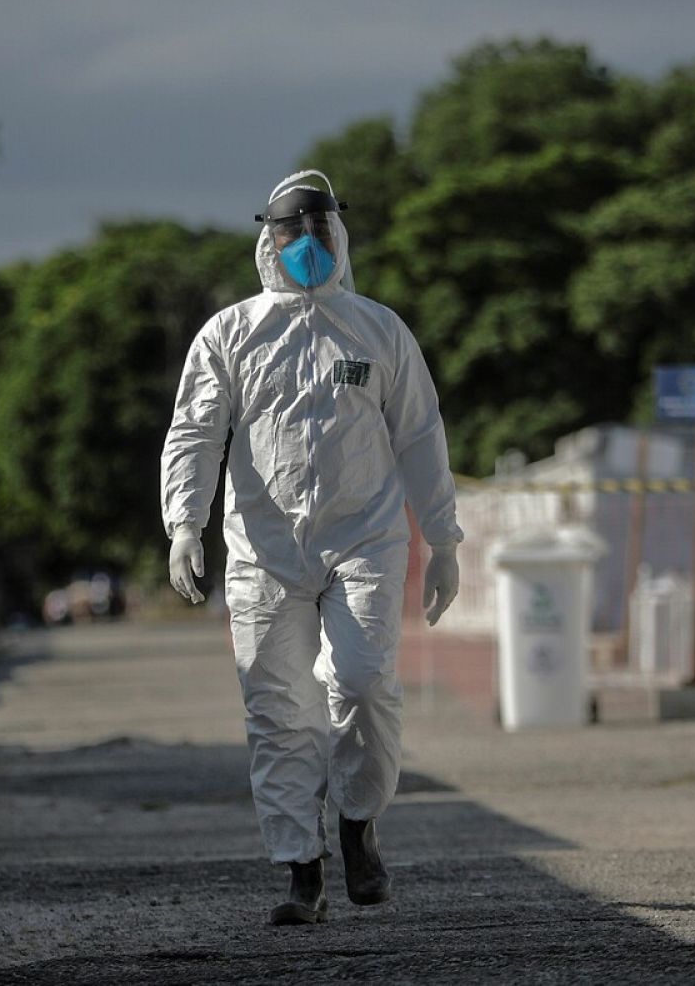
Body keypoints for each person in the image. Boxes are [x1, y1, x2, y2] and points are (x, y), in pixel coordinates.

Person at [160, 169, 463, 925]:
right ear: (269, 240)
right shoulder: (230, 333)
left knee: (362, 684)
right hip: (264, 551)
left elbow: (421, 436)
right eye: (292, 232)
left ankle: (358, 824)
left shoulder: (378, 330)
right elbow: (196, 431)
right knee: (278, 710)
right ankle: (301, 868)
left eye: (320, 230)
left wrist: (446, 538)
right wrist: (183, 524)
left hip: (365, 539)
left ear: (340, 235)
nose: (307, 244)